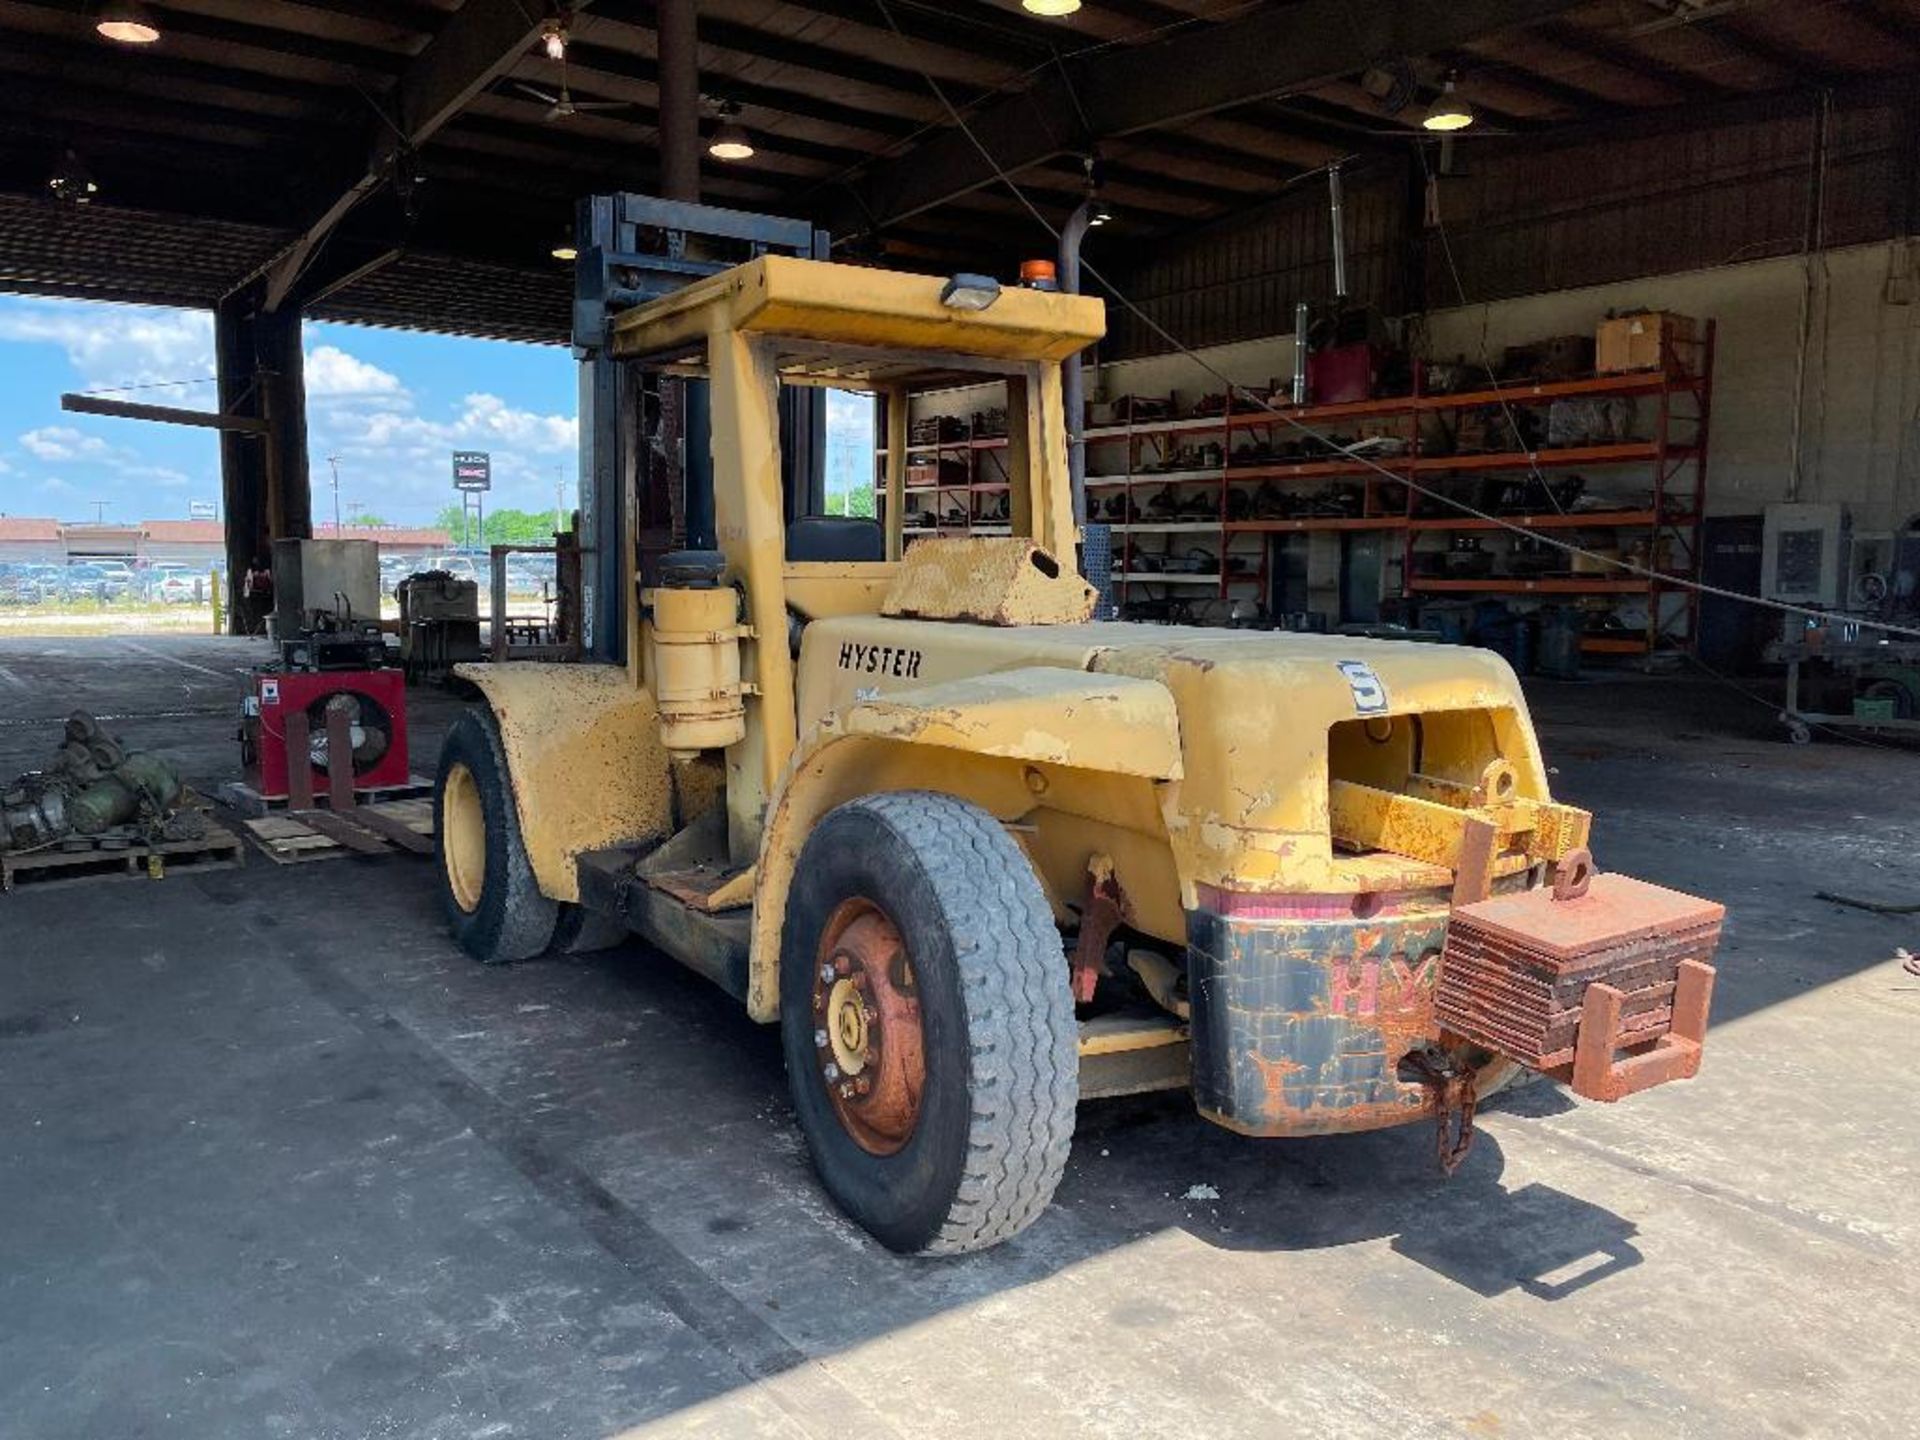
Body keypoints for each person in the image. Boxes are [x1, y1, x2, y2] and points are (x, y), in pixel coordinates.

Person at [241, 553, 274, 636]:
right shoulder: (252, 572)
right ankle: (256, 630)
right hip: (256, 595)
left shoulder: (264, 572)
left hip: (260, 595)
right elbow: (248, 583)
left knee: (259, 614)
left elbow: (268, 582)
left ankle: (259, 629)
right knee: (257, 613)